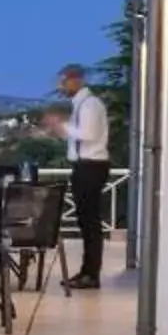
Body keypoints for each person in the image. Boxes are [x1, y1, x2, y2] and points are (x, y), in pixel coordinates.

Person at [56, 65, 112, 287]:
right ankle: (86, 271)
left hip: (91, 166)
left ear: (75, 80)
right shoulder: (82, 105)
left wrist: (63, 128)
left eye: (63, 81)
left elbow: (88, 134)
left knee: (90, 222)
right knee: (85, 221)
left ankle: (91, 274)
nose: (61, 86)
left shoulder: (89, 105)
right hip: (85, 166)